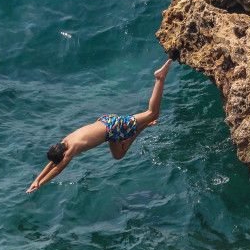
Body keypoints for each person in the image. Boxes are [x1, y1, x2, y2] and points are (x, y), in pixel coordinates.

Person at [26, 59, 173, 193]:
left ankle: (159, 78)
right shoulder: (65, 141)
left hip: (113, 127)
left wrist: (41, 184)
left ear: (63, 155)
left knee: (152, 113)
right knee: (118, 155)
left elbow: (57, 169)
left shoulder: (71, 149)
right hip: (107, 124)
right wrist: (36, 180)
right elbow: (53, 163)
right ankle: (144, 125)